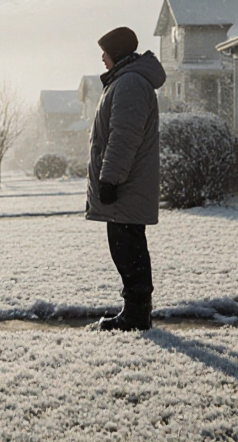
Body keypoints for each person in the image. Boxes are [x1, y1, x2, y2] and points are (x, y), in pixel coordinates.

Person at [86, 26, 166, 331]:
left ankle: (136, 314)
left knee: (128, 249)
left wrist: (110, 180)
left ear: (116, 53)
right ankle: (135, 311)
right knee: (127, 248)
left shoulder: (130, 83)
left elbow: (124, 137)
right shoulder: (125, 81)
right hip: (127, 188)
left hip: (126, 188)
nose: (102, 58)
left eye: (105, 52)